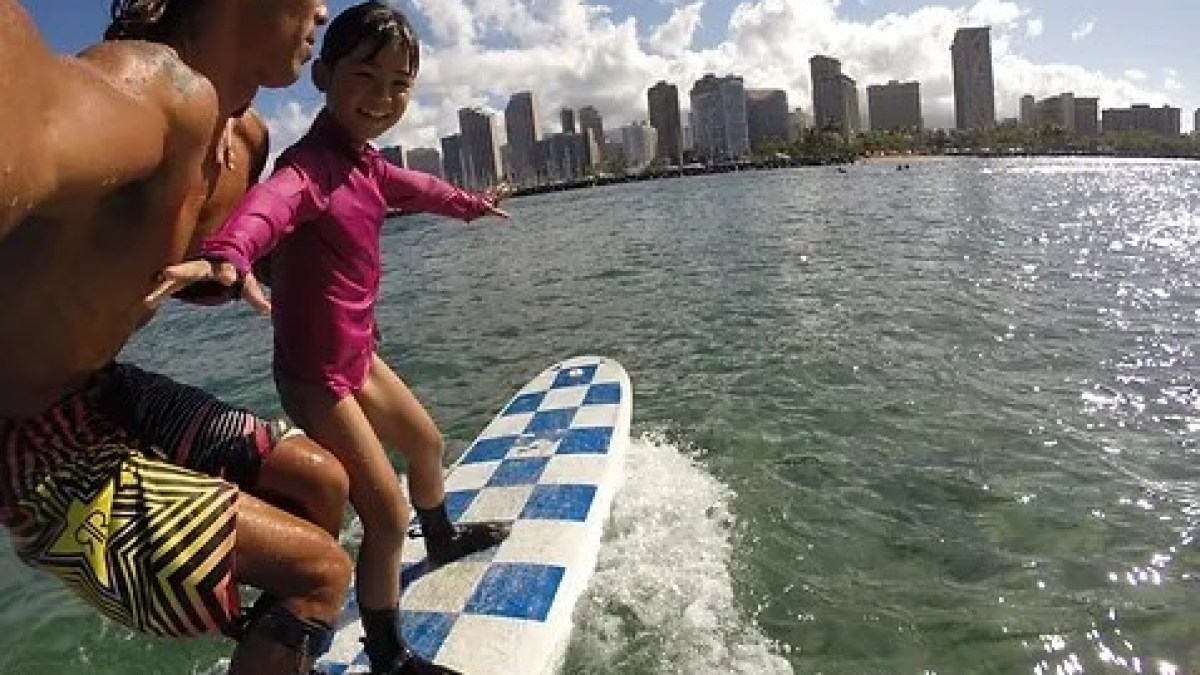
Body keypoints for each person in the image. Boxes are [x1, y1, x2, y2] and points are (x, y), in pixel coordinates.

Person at [0, 1, 358, 673]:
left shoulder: (244, 142)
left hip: (100, 392)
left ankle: (278, 651)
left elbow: (166, 263)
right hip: (22, 440)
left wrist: (234, 263)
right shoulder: (152, 88)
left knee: (321, 481)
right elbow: (40, 127)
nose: (321, 9)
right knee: (319, 574)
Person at [164, 3, 513, 672]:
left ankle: (437, 539)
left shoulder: (369, 167)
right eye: (366, 76)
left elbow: (424, 188)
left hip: (357, 355)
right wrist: (231, 252)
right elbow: (270, 206)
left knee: (428, 443)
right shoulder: (314, 166)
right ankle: (388, 654)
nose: (382, 98)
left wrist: (471, 205)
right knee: (383, 511)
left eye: (399, 84)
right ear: (323, 74)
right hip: (316, 376)